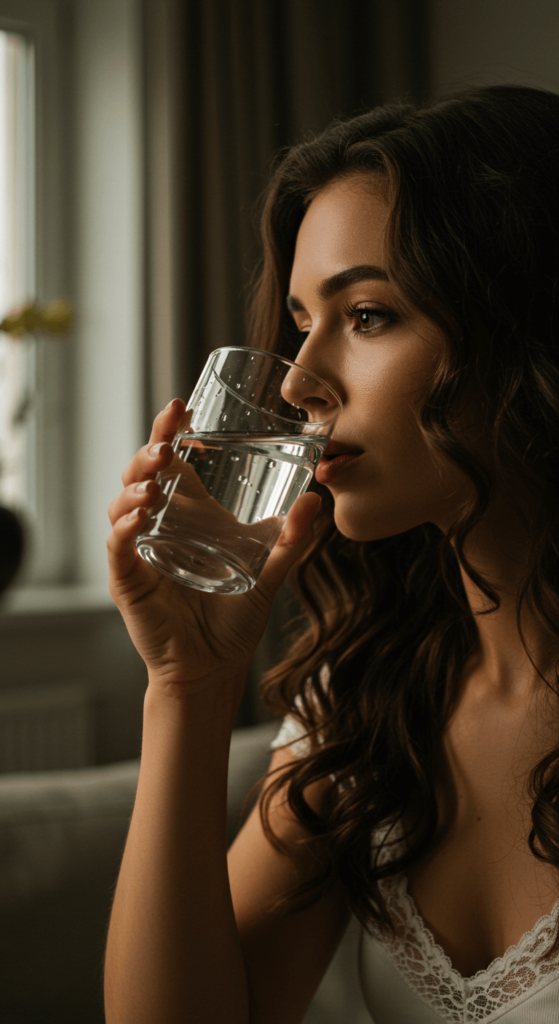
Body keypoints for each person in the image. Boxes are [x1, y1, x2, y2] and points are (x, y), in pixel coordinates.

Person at [104, 85, 559, 1023]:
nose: (302, 381)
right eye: (304, 320)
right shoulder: (366, 702)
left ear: (526, 331)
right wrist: (187, 686)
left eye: (367, 315)